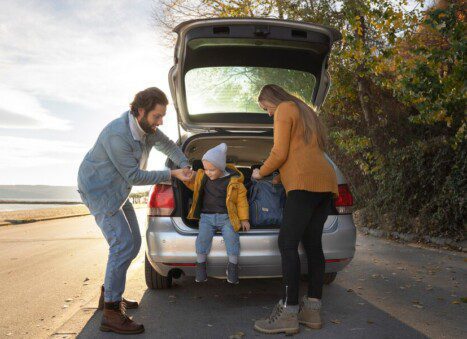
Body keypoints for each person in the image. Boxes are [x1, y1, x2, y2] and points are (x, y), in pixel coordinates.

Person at [77, 87, 193, 334]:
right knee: (122, 245)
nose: (160, 122)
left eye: (162, 116)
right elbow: (134, 175)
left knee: (135, 244)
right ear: (141, 111)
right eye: (157, 116)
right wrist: (173, 173)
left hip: (119, 189)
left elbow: (169, 145)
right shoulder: (116, 135)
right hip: (100, 192)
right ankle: (110, 312)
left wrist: (185, 165)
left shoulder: (147, 129)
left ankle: (110, 293)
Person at [252, 85, 338, 335]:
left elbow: (279, 153)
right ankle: (312, 311)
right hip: (324, 183)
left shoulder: (283, 108)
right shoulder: (307, 112)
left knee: (287, 244)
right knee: (313, 247)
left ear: (271, 99)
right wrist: (280, 178)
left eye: (265, 108)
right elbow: (302, 155)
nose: (268, 113)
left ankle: (288, 312)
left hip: (304, 186)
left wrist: (262, 172)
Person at [182, 143, 250, 284]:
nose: (208, 172)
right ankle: (200, 267)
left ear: (220, 167)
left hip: (227, 218)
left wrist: (244, 219)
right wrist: (186, 178)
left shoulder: (235, 181)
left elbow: (242, 201)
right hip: (206, 218)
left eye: (211, 170)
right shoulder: (203, 177)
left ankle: (232, 267)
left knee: (232, 239)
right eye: (206, 169)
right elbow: (193, 185)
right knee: (202, 239)